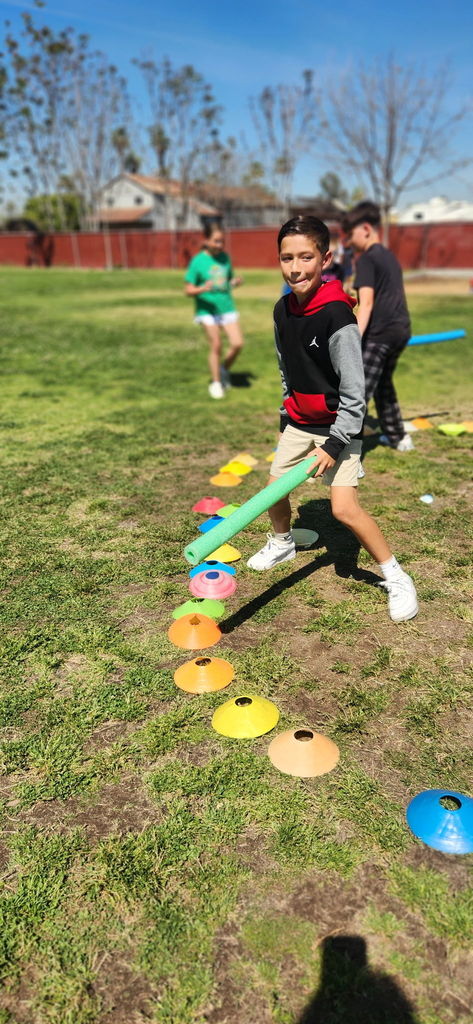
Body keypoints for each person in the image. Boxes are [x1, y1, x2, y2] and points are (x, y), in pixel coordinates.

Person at [246, 215, 418, 623]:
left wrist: (335, 444)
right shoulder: (281, 311)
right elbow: (287, 371)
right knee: (274, 490)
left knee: (343, 509)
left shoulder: (338, 316)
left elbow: (355, 394)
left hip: (338, 426)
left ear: (324, 259)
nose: (295, 267)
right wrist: (286, 413)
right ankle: (283, 541)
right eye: (287, 258)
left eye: (306, 257)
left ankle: (396, 575)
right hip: (299, 423)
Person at [342, 201, 414, 451]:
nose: (349, 242)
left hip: (380, 334)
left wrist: (353, 338)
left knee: (357, 393)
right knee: (383, 383)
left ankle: (345, 452)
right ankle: (398, 437)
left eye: (350, 235)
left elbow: (367, 304)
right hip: (401, 330)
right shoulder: (388, 256)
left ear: (364, 228)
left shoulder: (367, 259)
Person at [184, 223, 244, 399]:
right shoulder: (197, 261)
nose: (220, 245)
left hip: (226, 307)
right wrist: (202, 289)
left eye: (222, 241)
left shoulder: (225, 258)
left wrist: (235, 282)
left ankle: (223, 369)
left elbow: (227, 281)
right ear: (206, 240)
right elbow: (188, 290)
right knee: (216, 344)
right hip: (206, 310)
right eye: (216, 241)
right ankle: (216, 383)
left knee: (237, 343)